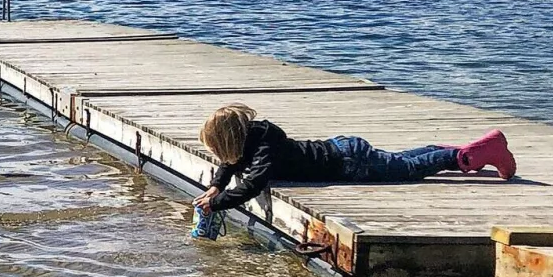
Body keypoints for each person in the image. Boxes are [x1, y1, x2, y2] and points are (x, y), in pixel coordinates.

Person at [192, 104, 516, 213]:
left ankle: (467, 155)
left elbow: (253, 184)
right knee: (399, 160)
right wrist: (216, 186)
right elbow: (231, 163)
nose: (222, 158)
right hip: (344, 149)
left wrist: (216, 205)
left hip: (349, 163)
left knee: (408, 171)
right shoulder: (253, 136)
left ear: (232, 140)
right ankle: (452, 151)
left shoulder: (264, 148)